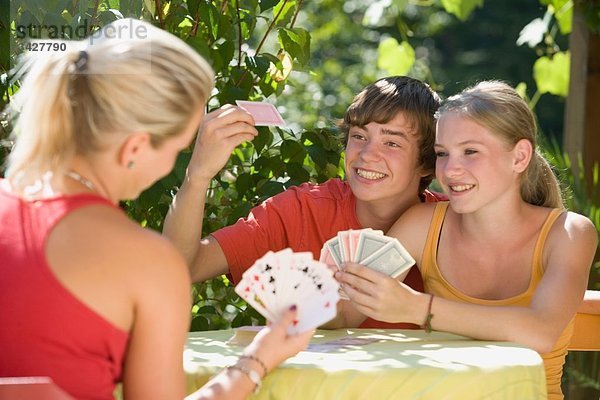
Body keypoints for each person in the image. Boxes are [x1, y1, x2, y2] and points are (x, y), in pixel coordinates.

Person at [0, 19, 313, 400]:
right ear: (134, 149)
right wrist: (259, 358)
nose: (172, 164)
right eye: (176, 148)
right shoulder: (147, 262)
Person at [333, 80, 598, 399]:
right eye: (443, 154)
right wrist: (301, 296)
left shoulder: (569, 233)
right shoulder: (422, 224)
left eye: (470, 151)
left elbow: (540, 332)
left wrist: (417, 308)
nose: (451, 170)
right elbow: (348, 312)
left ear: (519, 157)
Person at [163, 75, 445, 329]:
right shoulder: (298, 209)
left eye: (392, 143)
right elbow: (184, 267)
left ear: (427, 163)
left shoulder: (452, 222)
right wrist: (197, 175)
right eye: (359, 136)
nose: (367, 154)